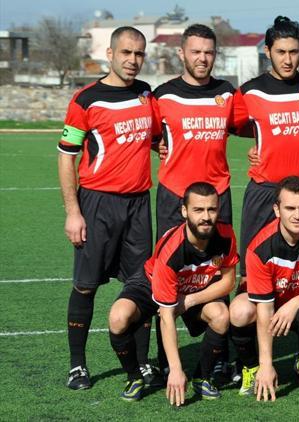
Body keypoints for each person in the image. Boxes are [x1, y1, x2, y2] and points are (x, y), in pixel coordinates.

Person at [57, 26, 156, 390]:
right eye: (126, 53)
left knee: (143, 285)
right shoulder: (86, 100)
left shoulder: (146, 95)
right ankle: (78, 366)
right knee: (85, 286)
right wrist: (73, 211)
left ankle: (144, 363)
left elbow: (159, 136)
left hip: (138, 205)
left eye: (139, 54)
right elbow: (66, 158)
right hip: (97, 204)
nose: (133, 60)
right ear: (110, 54)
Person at [152, 22, 249, 384]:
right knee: (167, 278)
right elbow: (150, 135)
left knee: (218, 271)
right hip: (173, 195)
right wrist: (159, 146)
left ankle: (218, 362)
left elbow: (247, 127)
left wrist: (258, 150)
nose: (203, 58)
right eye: (195, 51)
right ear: (182, 53)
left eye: (209, 52)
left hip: (216, 196)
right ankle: (166, 361)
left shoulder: (227, 93)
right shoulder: (162, 95)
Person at [107, 182, 237, 404]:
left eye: (211, 209)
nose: (206, 217)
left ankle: (202, 378)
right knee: (118, 318)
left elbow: (228, 282)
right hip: (150, 283)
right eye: (198, 210)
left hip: (193, 288)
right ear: (185, 211)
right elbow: (166, 317)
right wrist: (176, 370)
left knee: (222, 315)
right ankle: (134, 378)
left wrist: (189, 300)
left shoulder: (225, 234)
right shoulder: (172, 250)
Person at [237, 16, 299, 284]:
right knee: (252, 271)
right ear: (267, 51)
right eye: (280, 52)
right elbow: (236, 125)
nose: (288, 59)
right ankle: (249, 323)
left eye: (294, 52)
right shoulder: (249, 91)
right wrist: (257, 140)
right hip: (264, 190)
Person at [229, 176, 299, 400]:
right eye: (290, 208)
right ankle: (251, 367)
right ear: (277, 209)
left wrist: (295, 303)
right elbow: (264, 310)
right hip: (270, 305)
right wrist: (266, 365)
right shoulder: (259, 248)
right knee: (239, 311)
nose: (297, 215)